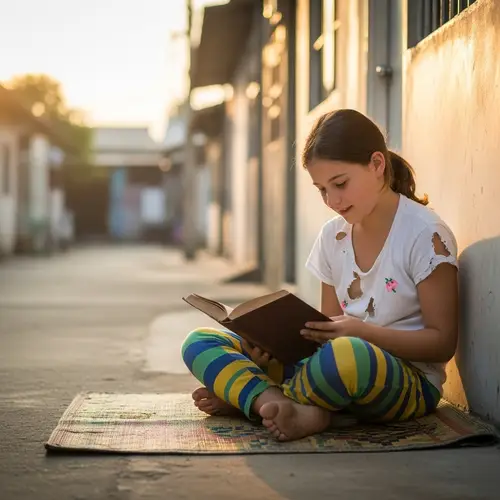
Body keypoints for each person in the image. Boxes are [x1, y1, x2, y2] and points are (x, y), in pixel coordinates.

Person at [182, 109, 459, 442]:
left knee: (349, 355)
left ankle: (254, 397)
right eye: (322, 189)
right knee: (200, 341)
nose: (333, 200)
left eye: (340, 184)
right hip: (329, 369)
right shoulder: (333, 236)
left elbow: (442, 344)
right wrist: (268, 348)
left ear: (376, 164)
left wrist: (363, 332)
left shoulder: (426, 234)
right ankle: (272, 401)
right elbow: (324, 329)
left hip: (404, 379)